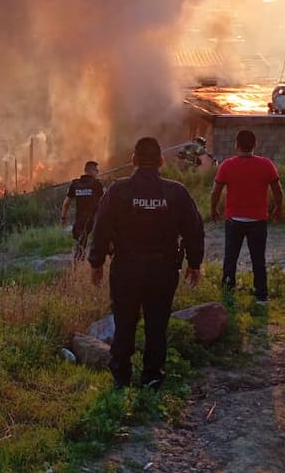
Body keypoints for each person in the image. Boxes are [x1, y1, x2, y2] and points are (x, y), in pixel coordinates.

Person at [89, 137, 204, 390]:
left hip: (126, 270)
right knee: (157, 324)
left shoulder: (118, 191)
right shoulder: (176, 192)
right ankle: (152, 377)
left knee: (125, 321)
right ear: (162, 161)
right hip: (163, 272)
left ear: (133, 161)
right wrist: (194, 264)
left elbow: (101, 229)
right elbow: (194, 230)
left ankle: (121, 376)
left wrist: (96, 263)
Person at [211, 130, 283, 304]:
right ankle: (261, 295)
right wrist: (278, 209)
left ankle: (228, 292)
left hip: (234, 220)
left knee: (230, 257)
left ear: (236, 145)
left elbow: (216, 191)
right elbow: (278, 191)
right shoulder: (266, 165)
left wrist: (213, 209)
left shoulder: (227, 165)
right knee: (258, 258)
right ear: (255, 144)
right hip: (258, 221)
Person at [61, 160, 105, 261]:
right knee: (98, 244)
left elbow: (66, 203)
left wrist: (63, 217)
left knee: (80, 246)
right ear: (92, 171)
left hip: (80, 220)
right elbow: (104, 201)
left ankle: (78, 265)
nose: (97, 173)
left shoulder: (75, 184)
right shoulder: (96, 184)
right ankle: (95, 265)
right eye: (96, 171)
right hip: (95, 220)